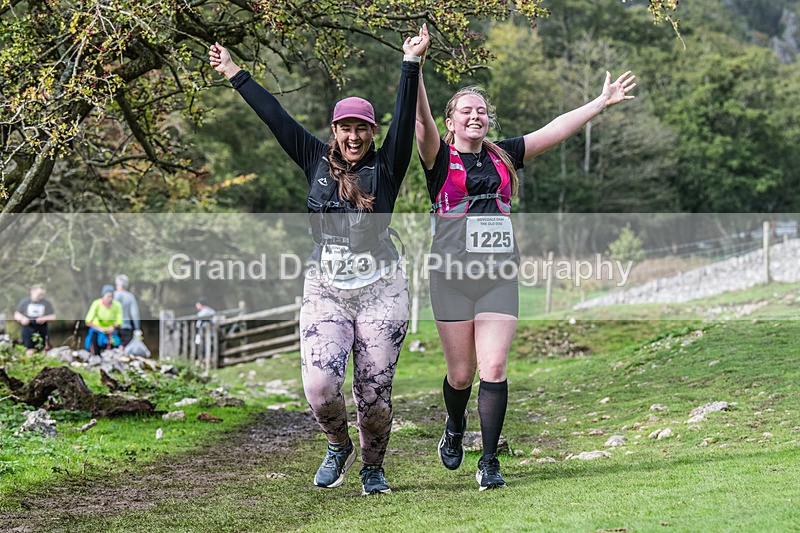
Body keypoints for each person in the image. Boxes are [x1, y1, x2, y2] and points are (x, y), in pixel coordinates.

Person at [209, 28, 429, 496]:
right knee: (320, 386)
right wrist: (234, 72)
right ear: (335, 131)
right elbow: (276, 118)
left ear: (372, 132)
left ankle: (373, 467)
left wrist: (411, 63)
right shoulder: (314, 160)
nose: (353, 135)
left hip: (380, 289)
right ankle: (337, 445)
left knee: (373, 396)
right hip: (325, 287)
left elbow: (406, 117)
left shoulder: (387, 165)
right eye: (345, 128)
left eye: (362, 128)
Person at [415, 59, 636, 489]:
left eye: (481, 110)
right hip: (451, 279)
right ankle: (455, 425)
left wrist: (599, 103)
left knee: (493, 367)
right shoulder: (438, 159)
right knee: (460, 375)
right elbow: (421, 122)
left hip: (498, 278)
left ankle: (490, 461)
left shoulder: (504, 154)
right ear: (452, 122)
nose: (475, 116)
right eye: (466, 111)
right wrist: (415, 69)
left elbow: (555, 129)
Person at [14, 284, 56, 353]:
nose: (40, 296)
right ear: (32, 291)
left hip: (41, 329)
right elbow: (16, 314)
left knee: (42, 348)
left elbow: (53, 316)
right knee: (28, 348)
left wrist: (44, 318)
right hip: (28, 328)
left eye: (42, 294)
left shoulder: (46, 303)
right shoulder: (24, 302)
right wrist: (22, 319)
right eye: (39, 294)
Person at [84, 285, 123, 355]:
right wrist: (100, 329)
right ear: (103, 296)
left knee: (117, 339)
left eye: (111, 296)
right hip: (97, 330)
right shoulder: (96, 304)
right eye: (108, 296)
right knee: (94, 335)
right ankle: (96, 355)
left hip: (111, 331)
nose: (110, 299)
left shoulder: (117, 305)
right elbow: (88, 321)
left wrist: (112, 327)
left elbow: (119, 321)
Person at [113, 274, 141, 347]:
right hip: (126, 327)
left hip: (113, 327)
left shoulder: (112, 295)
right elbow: (135, 313)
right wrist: (137, 328)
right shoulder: (130, 296)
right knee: (125, 350)